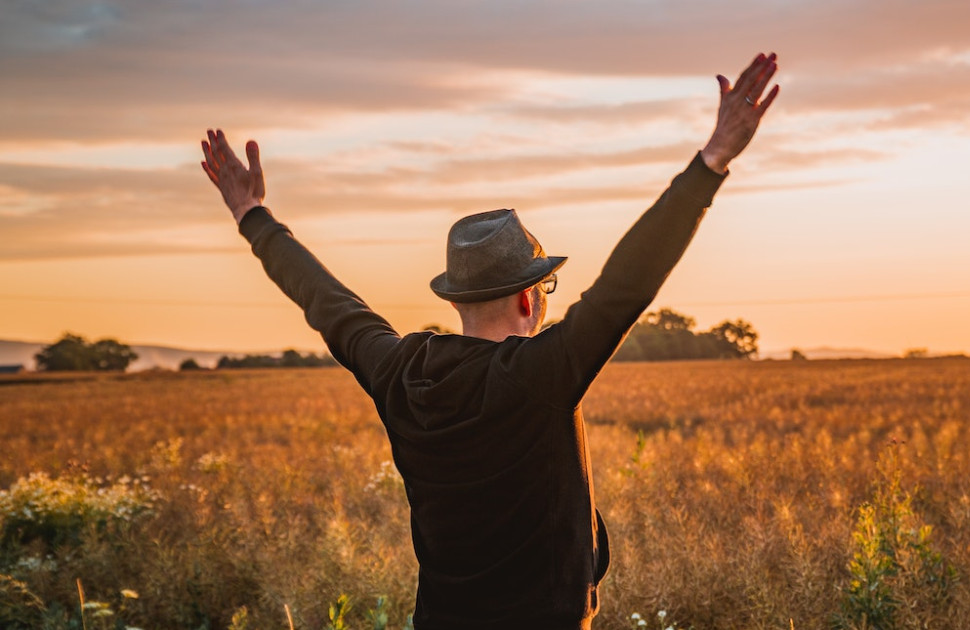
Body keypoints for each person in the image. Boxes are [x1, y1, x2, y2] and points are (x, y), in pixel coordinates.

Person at [201, 52, 779, 630]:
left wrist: (252, 213)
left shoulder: (400, 371)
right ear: (530, 299)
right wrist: (713, 159)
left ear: (456, 300)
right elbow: (626, 284)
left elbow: (326, 301)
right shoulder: (539, 376)